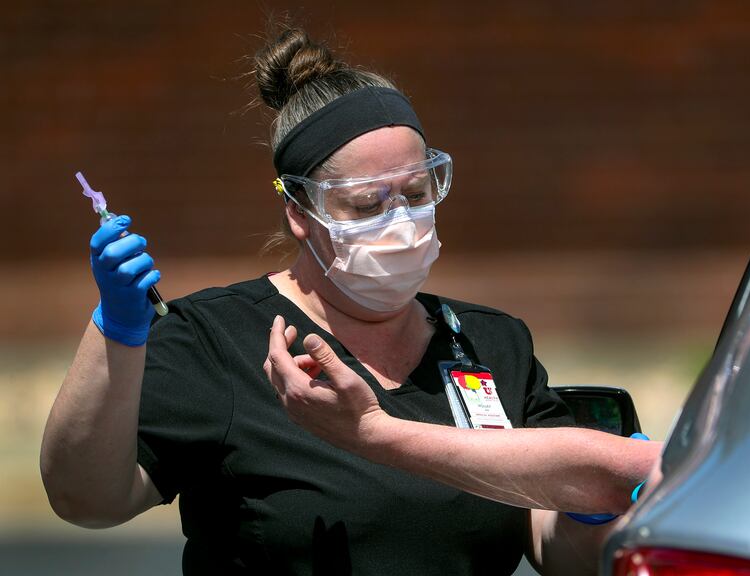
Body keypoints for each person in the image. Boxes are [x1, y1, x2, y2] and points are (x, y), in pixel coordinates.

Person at [41, 27, 660, 576]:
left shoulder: (491, 342)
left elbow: (549, 541)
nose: (402, 221)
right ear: (300, 211)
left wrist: (587, 511)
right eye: (367, 204)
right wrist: (116, 331)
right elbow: (87, 499)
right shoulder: (217, 339)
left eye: (417, 192)